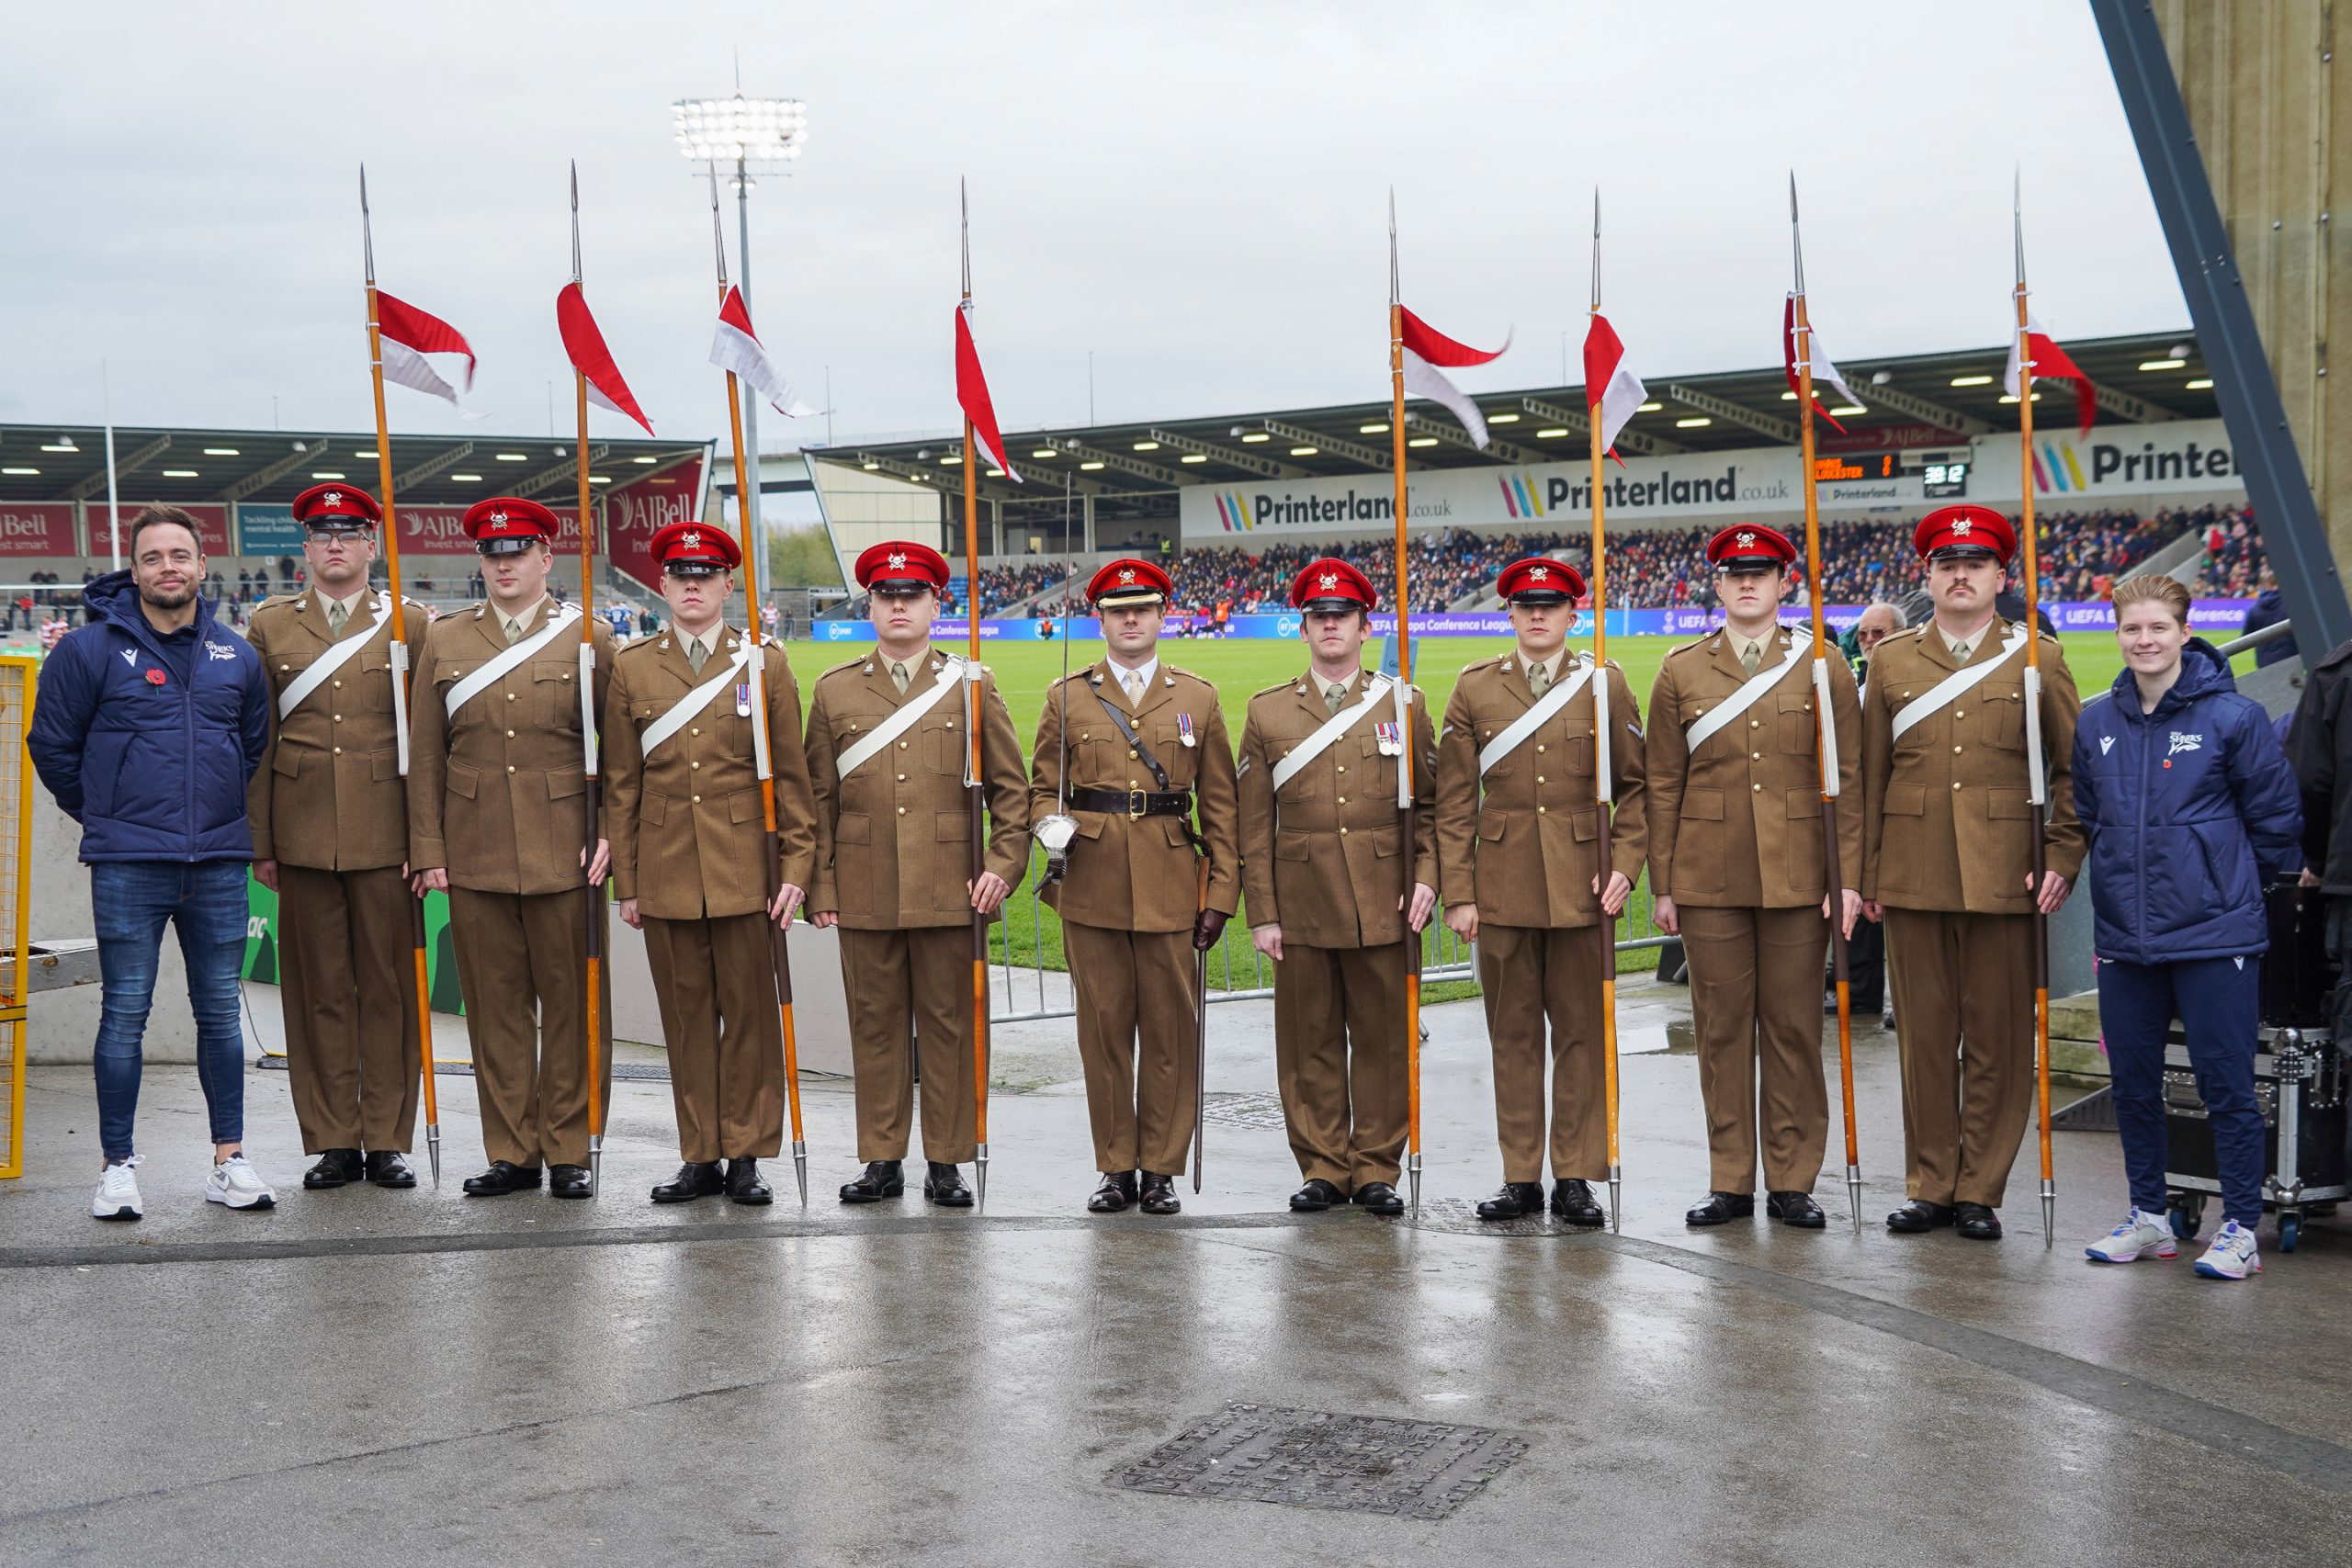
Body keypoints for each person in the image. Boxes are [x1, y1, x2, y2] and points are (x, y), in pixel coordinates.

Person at [27, 505, 275, 1219]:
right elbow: (54, 749)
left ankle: (229, 1159)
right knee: (125, 1013)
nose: (168, 567)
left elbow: (250, 747)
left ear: (203, 567)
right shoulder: (86, 649)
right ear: (132, 571)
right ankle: (117, 1166)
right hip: (129, 861)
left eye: (180, 555)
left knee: (221, 1015)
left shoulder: (237, 655)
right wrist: (108, 812)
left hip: (220, 862)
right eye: (153, 557)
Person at [1860, 504, 2082, 1241]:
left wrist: (2059, 855)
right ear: (1927, 574)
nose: (1961, 575)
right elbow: (1868, 776)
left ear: (1999, 576)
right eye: (1947, 564)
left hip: (2004, 875)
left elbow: (2072, 772)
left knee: (1996, 1040)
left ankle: (1981, 1187)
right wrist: (1866, 875)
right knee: (1924, 1036)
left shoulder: (2037, 658)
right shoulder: (1890, 660)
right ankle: (1930, 1183)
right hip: (1914, 872)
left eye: (1976, 563)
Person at [2075, 576, 2300, 1279]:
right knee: (2135, 1084)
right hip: (2126, 938)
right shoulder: (2096, 722)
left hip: (2215, 936)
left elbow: (2278, 825)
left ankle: (2239, 1228)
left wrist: (2228, 891)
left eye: (2158, 628)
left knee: (2226, 1085)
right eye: (2132, 629)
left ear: (2183, 632)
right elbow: (2090, 816)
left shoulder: (2233, 717)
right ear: (2119, 633)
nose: (2144, 641)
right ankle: (2148, 1216)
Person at [1645, 525, 1860, 1229]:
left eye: (1761, 573)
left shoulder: (1823, 663)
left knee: (1795, 1029)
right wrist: (1664, 882)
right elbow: (1664, 782)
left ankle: (1793, 1179)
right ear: (1715, 584)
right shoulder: (1680, 670)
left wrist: (1846, 876)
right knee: (1722, 1031)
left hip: (1800, 876)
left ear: (1781, 583)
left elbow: (1848, 779)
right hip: (1709, 877)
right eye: (1735, 573)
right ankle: (1730, 1177)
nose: (1747, 583)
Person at [804, 541, 1027, 1207]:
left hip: (950, 887)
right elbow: (816, 799)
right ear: (869, 603)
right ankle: (880, 1157)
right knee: (873, 1026)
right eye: (885, 595)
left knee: (950, 1027)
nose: (898, 605)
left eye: (912, 595)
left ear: (936, 603)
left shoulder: (973, 684)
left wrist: (1002, 865)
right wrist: (820, 884)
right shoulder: (834, 688)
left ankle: (947, 1160)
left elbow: (1012, 794)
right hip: (865, 888)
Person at [407, 497, 616, 1200]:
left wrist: (612, 834)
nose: (504, 563)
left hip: (567, 850)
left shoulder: (591, 635)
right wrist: (428, 845)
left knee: (572, 1007)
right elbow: (427, 751)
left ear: (545, 558)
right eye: (493, 553)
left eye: (518, 552)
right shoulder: (447, 639)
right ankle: (512, 1149)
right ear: (481, 561)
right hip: (475, 849)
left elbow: (620, 756)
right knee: (494, 1010)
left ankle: (570, 1147)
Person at [605, 523, 815, 1204]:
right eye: (680, 574)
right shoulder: (632, 665)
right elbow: (622, 783)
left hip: (745, 868)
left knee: (750, 1018)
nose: (692, 585)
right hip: (665, 871)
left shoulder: (764, 662)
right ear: (661, 584)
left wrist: (795, 870)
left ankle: (748, 1153)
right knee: (687, 1020)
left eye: (707, 573)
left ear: (729, 584)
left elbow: (792, 779)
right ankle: (700, 1153)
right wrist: (628, 883)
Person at [1434, 557, 1647, 1224]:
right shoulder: (1474, 689)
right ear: (1510, 613)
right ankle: (1520, 1174)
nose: (1537, 613)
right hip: (1502, 888)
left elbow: (1638, 788)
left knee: (1582, 1036)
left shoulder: (1604, 683)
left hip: (1587, 885)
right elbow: (1452, 802)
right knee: (1514, 1037)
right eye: (1525, 604)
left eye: (1550, 604)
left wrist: (1629, 862)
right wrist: (1459, 893)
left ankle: (1575, 1176)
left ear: (1572, 614)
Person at [1030, 558, 1240, 1216]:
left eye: (1142, 608)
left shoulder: (1197, 697)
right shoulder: (1066, 696)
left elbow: (1224, 807)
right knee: (1104, 1032)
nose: (1130, 618)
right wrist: (1048, 826)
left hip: (1172, 884)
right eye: (1118, 609)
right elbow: (1042, 787)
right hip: (1090, 884)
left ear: (1160, 616)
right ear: (1099, 619)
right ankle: (1116, 1166)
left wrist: (1222, 896)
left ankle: (1161, 1169)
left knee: (1171, 1032)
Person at [1236, 558, 1437, 1216]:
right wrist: (1262, 912)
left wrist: (1428, 879)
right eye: (1319, 616)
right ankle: (1322, 1165)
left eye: (1342, 615)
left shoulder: (1403, 704)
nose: (1330, 625)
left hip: (1386, 899)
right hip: (1301, 904)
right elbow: (1252, 824)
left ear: (1363, 625)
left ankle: (1377, 1165)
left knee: (1384, 1041)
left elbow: (1430, 809)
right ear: (1303, 628)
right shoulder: (1267, 711)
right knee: (1308, 1041)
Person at [244, 484, 429, 1190]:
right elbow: (258, 742)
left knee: (387, 988)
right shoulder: (272, 625)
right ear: (306, 546)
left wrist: (424, 838)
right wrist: (263, 839)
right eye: (322, 534)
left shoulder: (409, 621)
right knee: (318, 990)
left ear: (371, 544)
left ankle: (385, 1136)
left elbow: (426, 746)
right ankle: (331, 1138)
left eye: (349, 533)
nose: (335, 545)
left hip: (387, 830)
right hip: (303, 830)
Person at [2242, 566, 2297, 668]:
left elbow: (2245, 637)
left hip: (2265, 661)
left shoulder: (2254, 609)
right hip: (2291, 659)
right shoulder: (2292, 606)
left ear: (2267, 585)